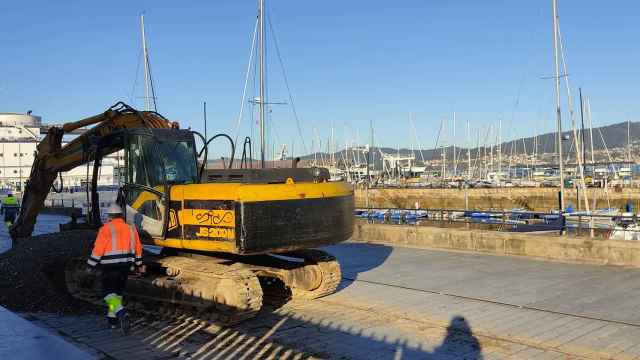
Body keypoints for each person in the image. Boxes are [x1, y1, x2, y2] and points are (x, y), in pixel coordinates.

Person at [86, 203, 143, 334]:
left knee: (107, 294)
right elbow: (138, 248)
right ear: (121, 216)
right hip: (125, 267)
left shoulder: (105, 229)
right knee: (116, 295)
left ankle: (122, 313)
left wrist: (90, 265)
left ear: (110, 216)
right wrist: (139, 265)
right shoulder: (131, 229)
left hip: (109, 267)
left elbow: (98, 249)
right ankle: (113, 322)